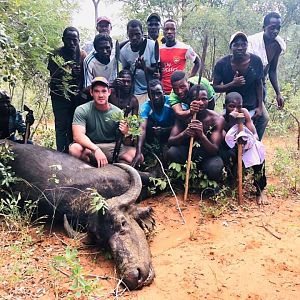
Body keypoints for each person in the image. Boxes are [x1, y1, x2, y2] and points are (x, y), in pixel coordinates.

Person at [69, 77, 137, 168]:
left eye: (104, 91)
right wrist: (95, 149)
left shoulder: (118, 113)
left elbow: (126, 142)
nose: (100, 95)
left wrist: (126, 132)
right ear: (91, 93)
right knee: (75, 149)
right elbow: (78, 136)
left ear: (109, 92)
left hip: (111, 148)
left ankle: (115, 170)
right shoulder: (82, 110)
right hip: (91, 147)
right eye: (97, 91)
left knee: (136, 155)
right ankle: (90, 169)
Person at [213, 32, 269, 141]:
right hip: (232, 106)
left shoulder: (256, 61)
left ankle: (256, 146)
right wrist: (232, 84)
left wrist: (260, 106)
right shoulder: (222, 64)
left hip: (252, 103)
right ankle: (227, 151)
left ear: (247, 46)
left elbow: (259, 83)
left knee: (264, 119)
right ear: (231, 47)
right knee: (223, 126)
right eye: (236, 45)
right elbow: (215, 87)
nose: (240, 48)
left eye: (243, 45)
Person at [167, 85, 225, 182]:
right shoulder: (183, 116)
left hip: (207, 154)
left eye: (204, 99)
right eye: (197, 99)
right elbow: (170, 142)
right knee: (172, 152)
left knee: (215, 167)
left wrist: (202, 136)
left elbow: (214, 150)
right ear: (190, 101)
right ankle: (180, 179)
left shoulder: (217, 119)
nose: (201, 103)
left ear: (208, 100)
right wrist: (185, 134)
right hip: (187, 152)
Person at [48, 26, 87, 153]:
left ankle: (72, 153)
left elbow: (85, 77)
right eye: (68, 39)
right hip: (59, 96)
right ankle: (60, 152)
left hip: (76, 97)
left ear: (78, 40)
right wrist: (68, 71)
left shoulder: (82, 55)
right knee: (61, 126)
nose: (71, 43)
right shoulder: (55, 54)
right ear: (63, 39)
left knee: (73, 125)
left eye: (74, 40)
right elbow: (53, 75)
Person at [222, 92, 267, 202]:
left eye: (239, 106)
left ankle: (260, 189)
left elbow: (255, 134)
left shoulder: (244, 113)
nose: (236, 110)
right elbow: (223, 140)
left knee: (258, 152)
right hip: (230, 147)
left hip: (245, 145)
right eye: (231, 106)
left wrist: (249, 141)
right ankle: (231, 182)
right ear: (225, 107)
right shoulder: (222, 118)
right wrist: (232, 121)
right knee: (226, 154)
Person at [132, 79, 181, 167]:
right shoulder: (146, 107)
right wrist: (138, 152)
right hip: (155, 134)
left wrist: (165, 130)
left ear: (164, 92)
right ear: (149, 95)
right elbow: (142, 128)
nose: (155, 97)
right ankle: (147, 154)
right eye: (152, 94)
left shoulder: (171, 102)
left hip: (171, 133)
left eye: (158, 93)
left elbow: (181, 125)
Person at [248, 12, 286, 109]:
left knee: (261, 118)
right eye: (272, 28)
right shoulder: (252, 42)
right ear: (264, 27)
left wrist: (278, 93)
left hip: (261, 83)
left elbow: (272, 70)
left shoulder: (277, 45)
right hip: (246, 83)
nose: (275, 31)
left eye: (278, 28)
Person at [120, 19, 157, 106]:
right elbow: (126, 71)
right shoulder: (124, 51)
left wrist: (144, 67)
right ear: (127, 34)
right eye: (131, 35)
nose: (134, 38)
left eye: (137, 34)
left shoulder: (152, 45)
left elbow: (156, 70)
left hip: (151, 89)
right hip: (135, 91)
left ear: (142, 32)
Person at [160, 19, 200, 95]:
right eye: (167, 29)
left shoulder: (185, 48)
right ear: (163, 31)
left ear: (176, 31)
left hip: (179, 92)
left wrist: (189, 78)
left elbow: (198, 62)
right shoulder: (159, 49)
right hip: (163, 92)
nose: (169, 32)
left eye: (172, 29)